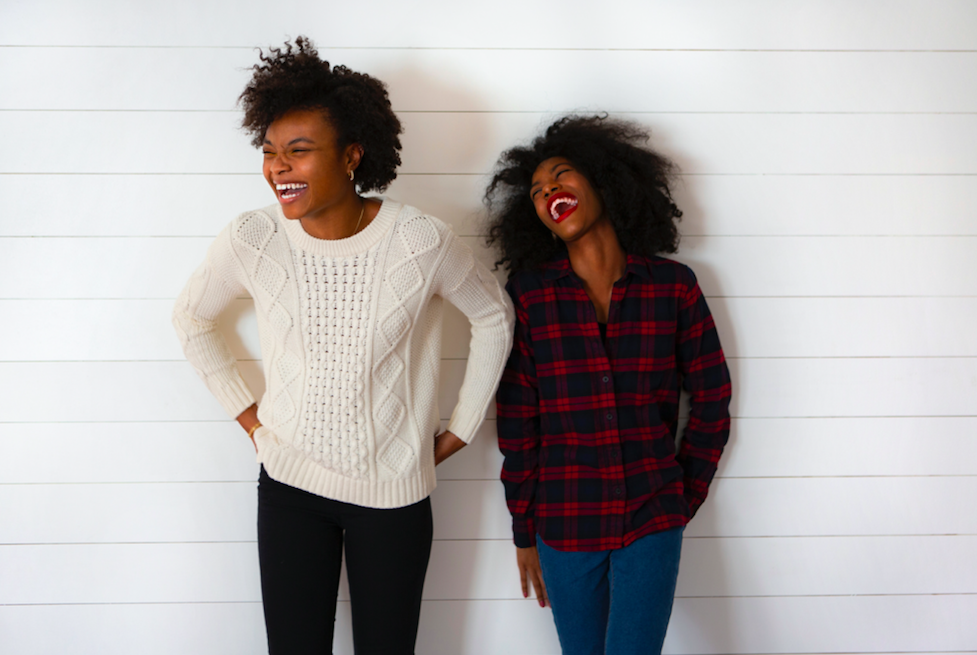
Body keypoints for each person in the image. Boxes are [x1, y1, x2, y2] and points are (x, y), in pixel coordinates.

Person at [173, 37, 513, 654]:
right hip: (289, 488)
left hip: (394, 495)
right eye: (271, 152)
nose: (279, 167)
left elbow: (493, 315)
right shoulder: (252, 237)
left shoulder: (420, 240)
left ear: (352, 155)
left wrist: (461, 428)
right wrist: (252, 421)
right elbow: (192, 319)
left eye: (299, 152)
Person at [486, 115, 731, 655]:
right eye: (537, 190)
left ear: (604, 181)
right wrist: (524, 530)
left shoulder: (674, 288)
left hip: (653, 517)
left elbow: (713, 399)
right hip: (565, 523)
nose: (549, 189)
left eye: (562, 174)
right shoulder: (528, 297)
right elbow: (518, 423)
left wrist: (681, 496)